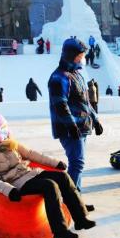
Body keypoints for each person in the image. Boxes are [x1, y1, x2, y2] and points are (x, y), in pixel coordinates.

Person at [0, 107, 96, 238]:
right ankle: (60, 232)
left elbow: (31, 154)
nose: (5, 131)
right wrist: (9, 190)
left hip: (28, 173)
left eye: (5, 127)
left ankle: (81, 219)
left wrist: (55, 163)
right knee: (50, 186)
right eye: (0, 129)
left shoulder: (9, 141)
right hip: (14, 183)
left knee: (63, 177)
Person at [48, 38, 103, 212]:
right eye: (80, 55)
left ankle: (76, 199)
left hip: (82, 125)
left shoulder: (76, 75)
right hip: (69, 128)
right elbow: (60, 105)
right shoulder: (58, 77)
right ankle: (71, 202)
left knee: (78, 163)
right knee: (77, 163)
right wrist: (72, 126)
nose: (82, 59)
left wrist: (95, 119)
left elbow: (85, 102)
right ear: (71, 55)